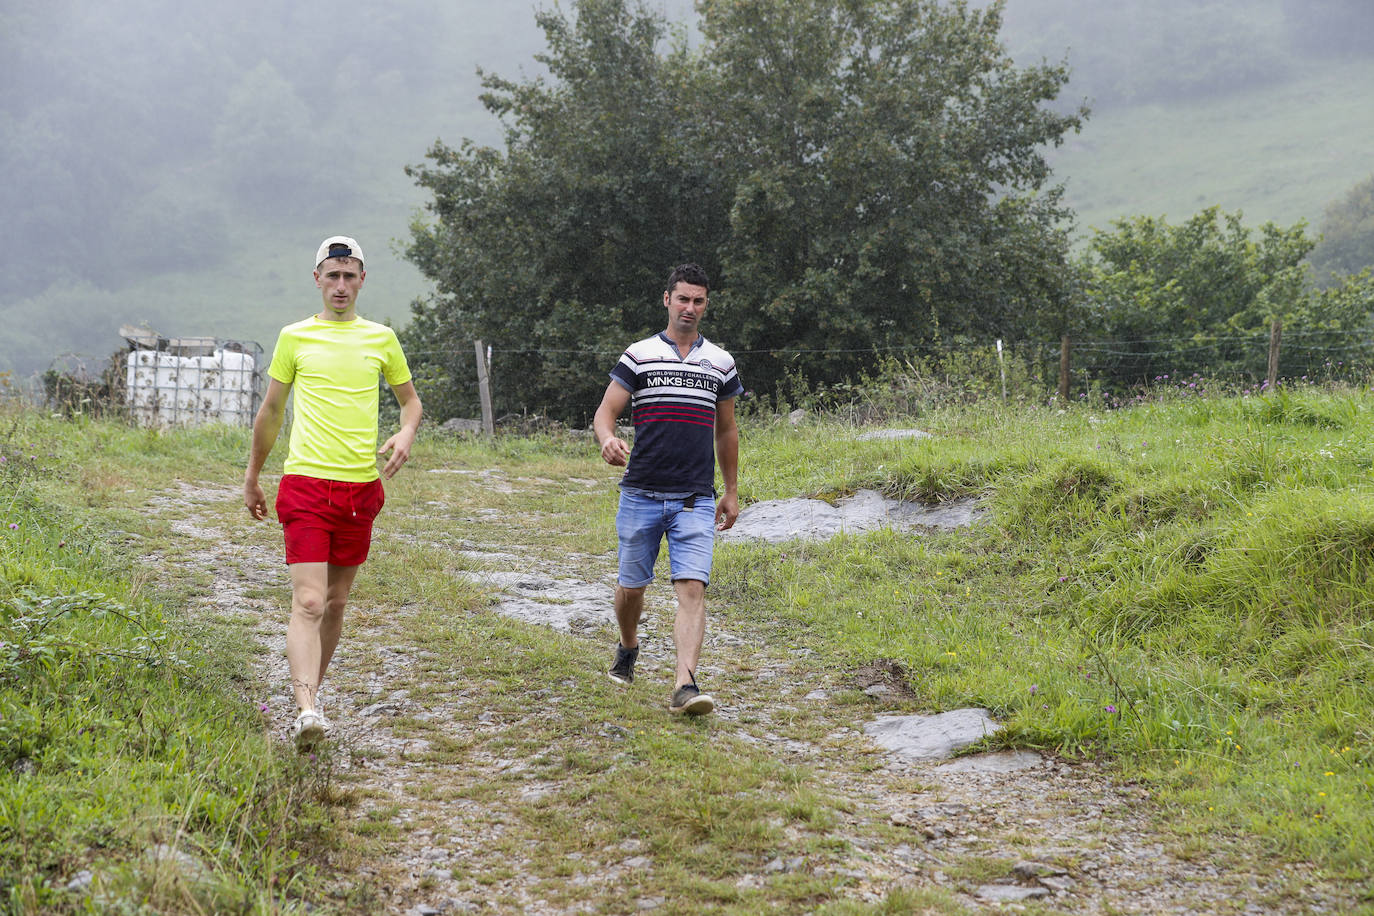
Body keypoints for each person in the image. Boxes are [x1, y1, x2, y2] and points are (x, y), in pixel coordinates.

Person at [244, 236, 422, 749]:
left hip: (359, 491)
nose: (340, 285)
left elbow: (411, 403)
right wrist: (253, 476)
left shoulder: (381, 339)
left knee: (337, 603)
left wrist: (406, 432)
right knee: (310, 600)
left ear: (362, 280)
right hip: (304, 485)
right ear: (317, 279)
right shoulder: (294, 337)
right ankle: (305, 711)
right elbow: (272, 412)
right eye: (332, 275)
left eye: (350, 275)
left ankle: (311, 702)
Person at [593, 263, 742, 716]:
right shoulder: (639, 355)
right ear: (667, 300)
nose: (689, 308)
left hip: (695, 498)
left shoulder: (720, 361)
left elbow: (727, 430)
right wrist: (608, 440)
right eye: (683, 299)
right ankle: (628, 644)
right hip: (640, 493)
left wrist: (731, 490)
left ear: (706, 306)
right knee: (631, 589)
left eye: (698, 301)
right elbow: (606, 411)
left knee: (692, 589)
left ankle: (685, 685)